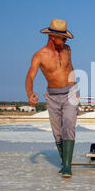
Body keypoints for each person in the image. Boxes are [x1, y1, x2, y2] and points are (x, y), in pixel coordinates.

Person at [25, 19, 79, 178]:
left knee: (69, 124)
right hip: (53, 96)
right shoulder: (39, 55)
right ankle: (65, 161)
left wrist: (76, 87)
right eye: (63, 38)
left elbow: (71, 68)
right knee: (58, 133)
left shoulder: (67, 49)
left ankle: (67, 167)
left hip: (70, 93)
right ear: (52, 37)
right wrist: (30, 93)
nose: (65, 40)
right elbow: (30, 76)